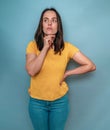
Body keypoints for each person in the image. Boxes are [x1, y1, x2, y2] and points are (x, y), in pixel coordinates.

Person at [25, 8, 96, 130]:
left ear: (58, 25)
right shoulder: (32, 46)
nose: (49, 23)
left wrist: (68, 73)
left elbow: (91, 65)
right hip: (37, 103)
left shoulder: (67, 48)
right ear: (41, 25)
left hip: (59, 103)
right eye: (46, 20)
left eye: (54, 20)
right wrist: (45, 48)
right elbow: (32, 71)